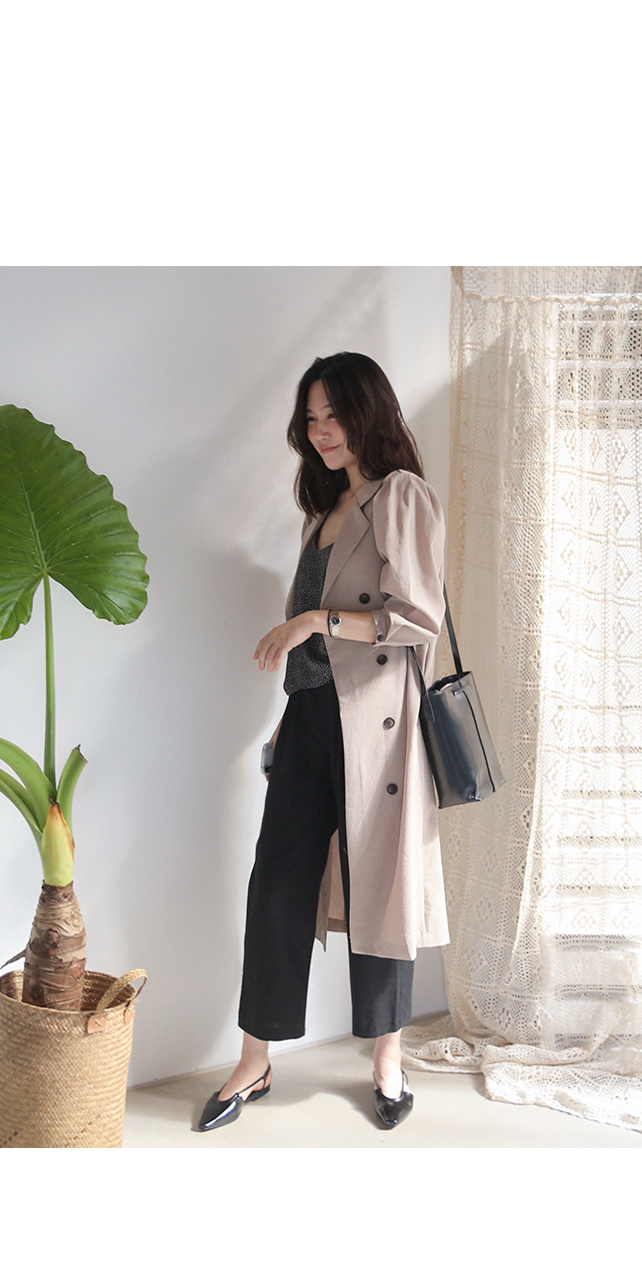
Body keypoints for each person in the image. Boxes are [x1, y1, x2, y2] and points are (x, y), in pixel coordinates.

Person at [199, 354, 447, 1134]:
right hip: (310, 715)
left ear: (368, 411)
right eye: (311, 419)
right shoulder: (325, 510)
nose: (321, 431)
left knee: (382, 885)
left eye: (334, 414)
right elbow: (311, 652)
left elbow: (417, 620)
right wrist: (288, 713)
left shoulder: (401, 496)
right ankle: (255, 1058)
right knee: (276, 883)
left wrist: (317, 620)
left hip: (376, 724)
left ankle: (388, 1058)